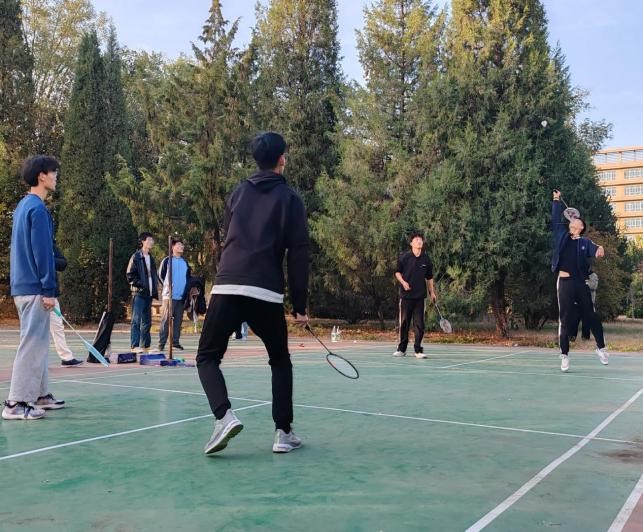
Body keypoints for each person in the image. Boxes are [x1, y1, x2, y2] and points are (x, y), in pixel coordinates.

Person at [196, 132, 310, 455]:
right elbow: (299, 254)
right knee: (280, 360)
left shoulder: (238, 193)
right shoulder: (291, 200)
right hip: (265, 290)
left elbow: (228, 238)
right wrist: (300, 305)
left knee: (206, 357)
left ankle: (224, 416)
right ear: (282, 159)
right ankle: (283, 433)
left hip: (228, 284)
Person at [3, 155, 65, 420]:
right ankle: (16, 403)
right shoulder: (38, 210)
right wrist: (49, 290)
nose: (56, 177)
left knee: (38, 343)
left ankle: (39, 394)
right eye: (53, 172)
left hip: (23, 286)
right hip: (34, 288)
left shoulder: (23, 206)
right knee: (32, 344)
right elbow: (43, 253)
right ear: (42, 175)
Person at [551, 189, 609, 372]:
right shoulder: (561, 235)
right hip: (565, 283)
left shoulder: (585, 242)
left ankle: (601, 348)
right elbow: (555, 219)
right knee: (565, 320)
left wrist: (600, 249)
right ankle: (564, 355)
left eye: (577, 220)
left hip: (580, 283)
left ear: (581, 226)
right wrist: (556, 200)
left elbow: (596, 250)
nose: (574, 220)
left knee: (591, 316)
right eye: (573, 219)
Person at [392, 232, 437, 359]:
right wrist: (403, 282)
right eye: (416, 239)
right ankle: (401, 349)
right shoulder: (404, 257)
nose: (419, 241)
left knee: (419, 325)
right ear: (411, 243)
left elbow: (429, 278)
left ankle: (418, 350)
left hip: (420, 297)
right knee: (404, 323)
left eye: (420, 239)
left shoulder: (426, 259)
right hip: (406, 297)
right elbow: (397, 272)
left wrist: (432, 292)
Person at [51, 243, 83, 366]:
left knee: (57, 326)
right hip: (36, 293)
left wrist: (48, 259)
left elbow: (63, 263)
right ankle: (31, 361)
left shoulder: (51, 244)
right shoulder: (32, 242)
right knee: (34, 330)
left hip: (51, 294)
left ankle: (66, 358)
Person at [126, 232, 159, 353]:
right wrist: (140, 285)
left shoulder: (151, 258)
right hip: (138, 293)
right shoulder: (136, 256)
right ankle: (134, 346)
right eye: (149, 240)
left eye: (152, 240)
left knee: (147, 321)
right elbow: (129, 274)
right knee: (136, 320)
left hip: (149, 294)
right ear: (143, 241)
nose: (151, 242)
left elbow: (154, 275)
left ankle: (145, 345)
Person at [157, 237, 191, 351]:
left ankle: (175, 342)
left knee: (178, 321)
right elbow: (160, 275)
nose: (181, 247)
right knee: (166, 320)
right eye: (179, 245)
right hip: (169, 296)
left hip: (181, 297)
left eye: (182, 245)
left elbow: (188, 278)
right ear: (172, 247)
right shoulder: (167, 260)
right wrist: (167, 286)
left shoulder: (184, 262)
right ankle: (161, 343)